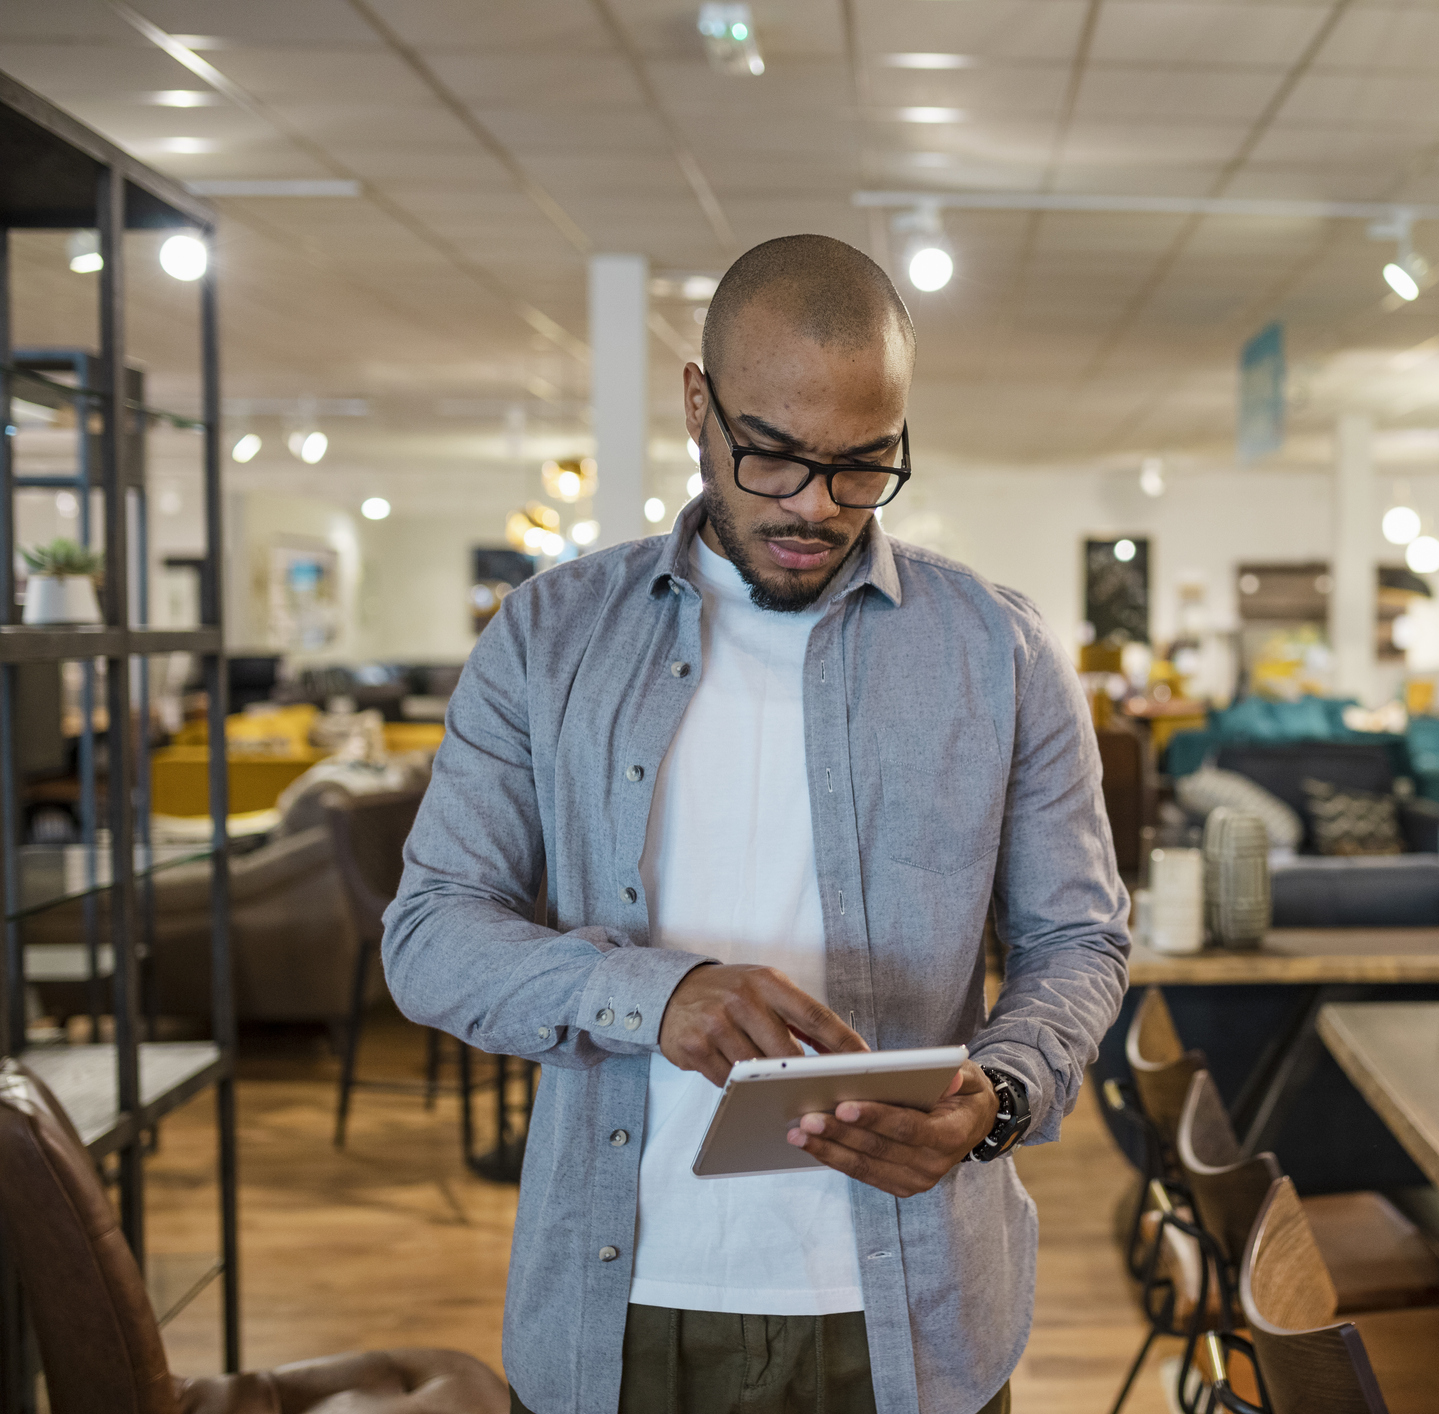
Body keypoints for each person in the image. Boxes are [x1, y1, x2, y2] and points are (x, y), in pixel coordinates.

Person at [383, 234, 1130, 1414]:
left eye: (863, 466)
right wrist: (656, 994)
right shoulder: (549, 637)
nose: (816, 506)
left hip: (915, 1313)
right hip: (615, 1310)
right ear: (698, 403)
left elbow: (1079, 942)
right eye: (773, 457)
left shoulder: (1002, 651)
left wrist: (1000, 1097)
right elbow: (428, 934)